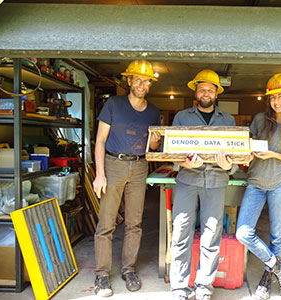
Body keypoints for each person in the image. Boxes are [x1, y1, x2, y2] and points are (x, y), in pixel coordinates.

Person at [92, 59, 161, 297]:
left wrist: (155, 141)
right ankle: (102, 274)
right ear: (129, 80)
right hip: (113, 165)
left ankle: (128, 269)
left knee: (135, 223)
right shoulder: (113, 104)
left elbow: (153, 144)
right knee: (106, 223)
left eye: (147, 81)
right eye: (138, 79)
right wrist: (99, 174)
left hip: (140, 166)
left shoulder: (153, 111)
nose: (142, 84)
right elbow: (100, 140)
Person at [235, 73, 281, 300]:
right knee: (243, 233)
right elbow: (249, 147)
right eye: (273, 97)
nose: (276, 101)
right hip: (255, 182)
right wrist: (244, 156)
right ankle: (279, 268)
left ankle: (267, 278)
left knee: (277, 235)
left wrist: (273, 155)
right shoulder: (259, 119)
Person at [170, 69, 236, 300]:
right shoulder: (181, 117)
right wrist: (182, 164)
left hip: (217, 181)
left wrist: (229, 167)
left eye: (210, 89)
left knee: (211, 235)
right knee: (180, 232)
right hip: (187, 180)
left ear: (217, 93)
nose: (206, 93)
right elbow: (172, 151)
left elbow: (235, 155)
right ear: (195, 92)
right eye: (202, 89)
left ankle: (203, 288)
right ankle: (179, 287)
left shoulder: (228, 121)